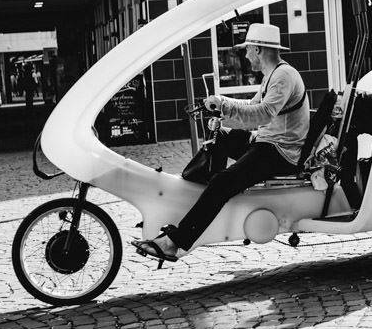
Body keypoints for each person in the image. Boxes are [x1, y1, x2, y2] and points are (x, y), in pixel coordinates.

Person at [131, 23, 309, 262]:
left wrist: (224, 107)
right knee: (222, 138)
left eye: (247, 49)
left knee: (224, 180)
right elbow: (250, 106)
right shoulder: (273, 75)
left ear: (257, 49)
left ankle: (176, 242)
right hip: (268, 142)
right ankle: (199, 202)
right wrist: (222, 107)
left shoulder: (283, 76)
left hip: (281, 152)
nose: (245, 55)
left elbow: (263, 114)